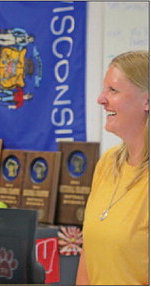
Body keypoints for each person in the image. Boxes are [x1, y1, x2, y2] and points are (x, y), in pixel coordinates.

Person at [76, 51, 149, 285]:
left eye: (113, 90)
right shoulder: (108, 163)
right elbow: (88, 252)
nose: (101, 99)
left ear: (147, 101)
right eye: (104, 89)